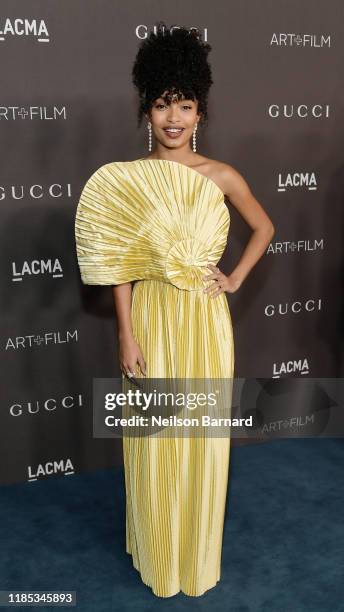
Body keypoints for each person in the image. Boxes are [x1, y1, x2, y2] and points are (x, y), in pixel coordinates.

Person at [75, 22, 275, 598]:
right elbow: (120, 266)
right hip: (155, 319)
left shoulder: (221, 176)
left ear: (201, 112)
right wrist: (126, 335)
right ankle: (158, 550)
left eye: (184, 105)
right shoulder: (130, 182)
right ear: (146, 111)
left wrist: (234, 278)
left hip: (206, 324)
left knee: (200, 440)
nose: (173, 118)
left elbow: (263, 227)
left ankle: (194, 552)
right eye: (162, 105)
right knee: (155, 436)